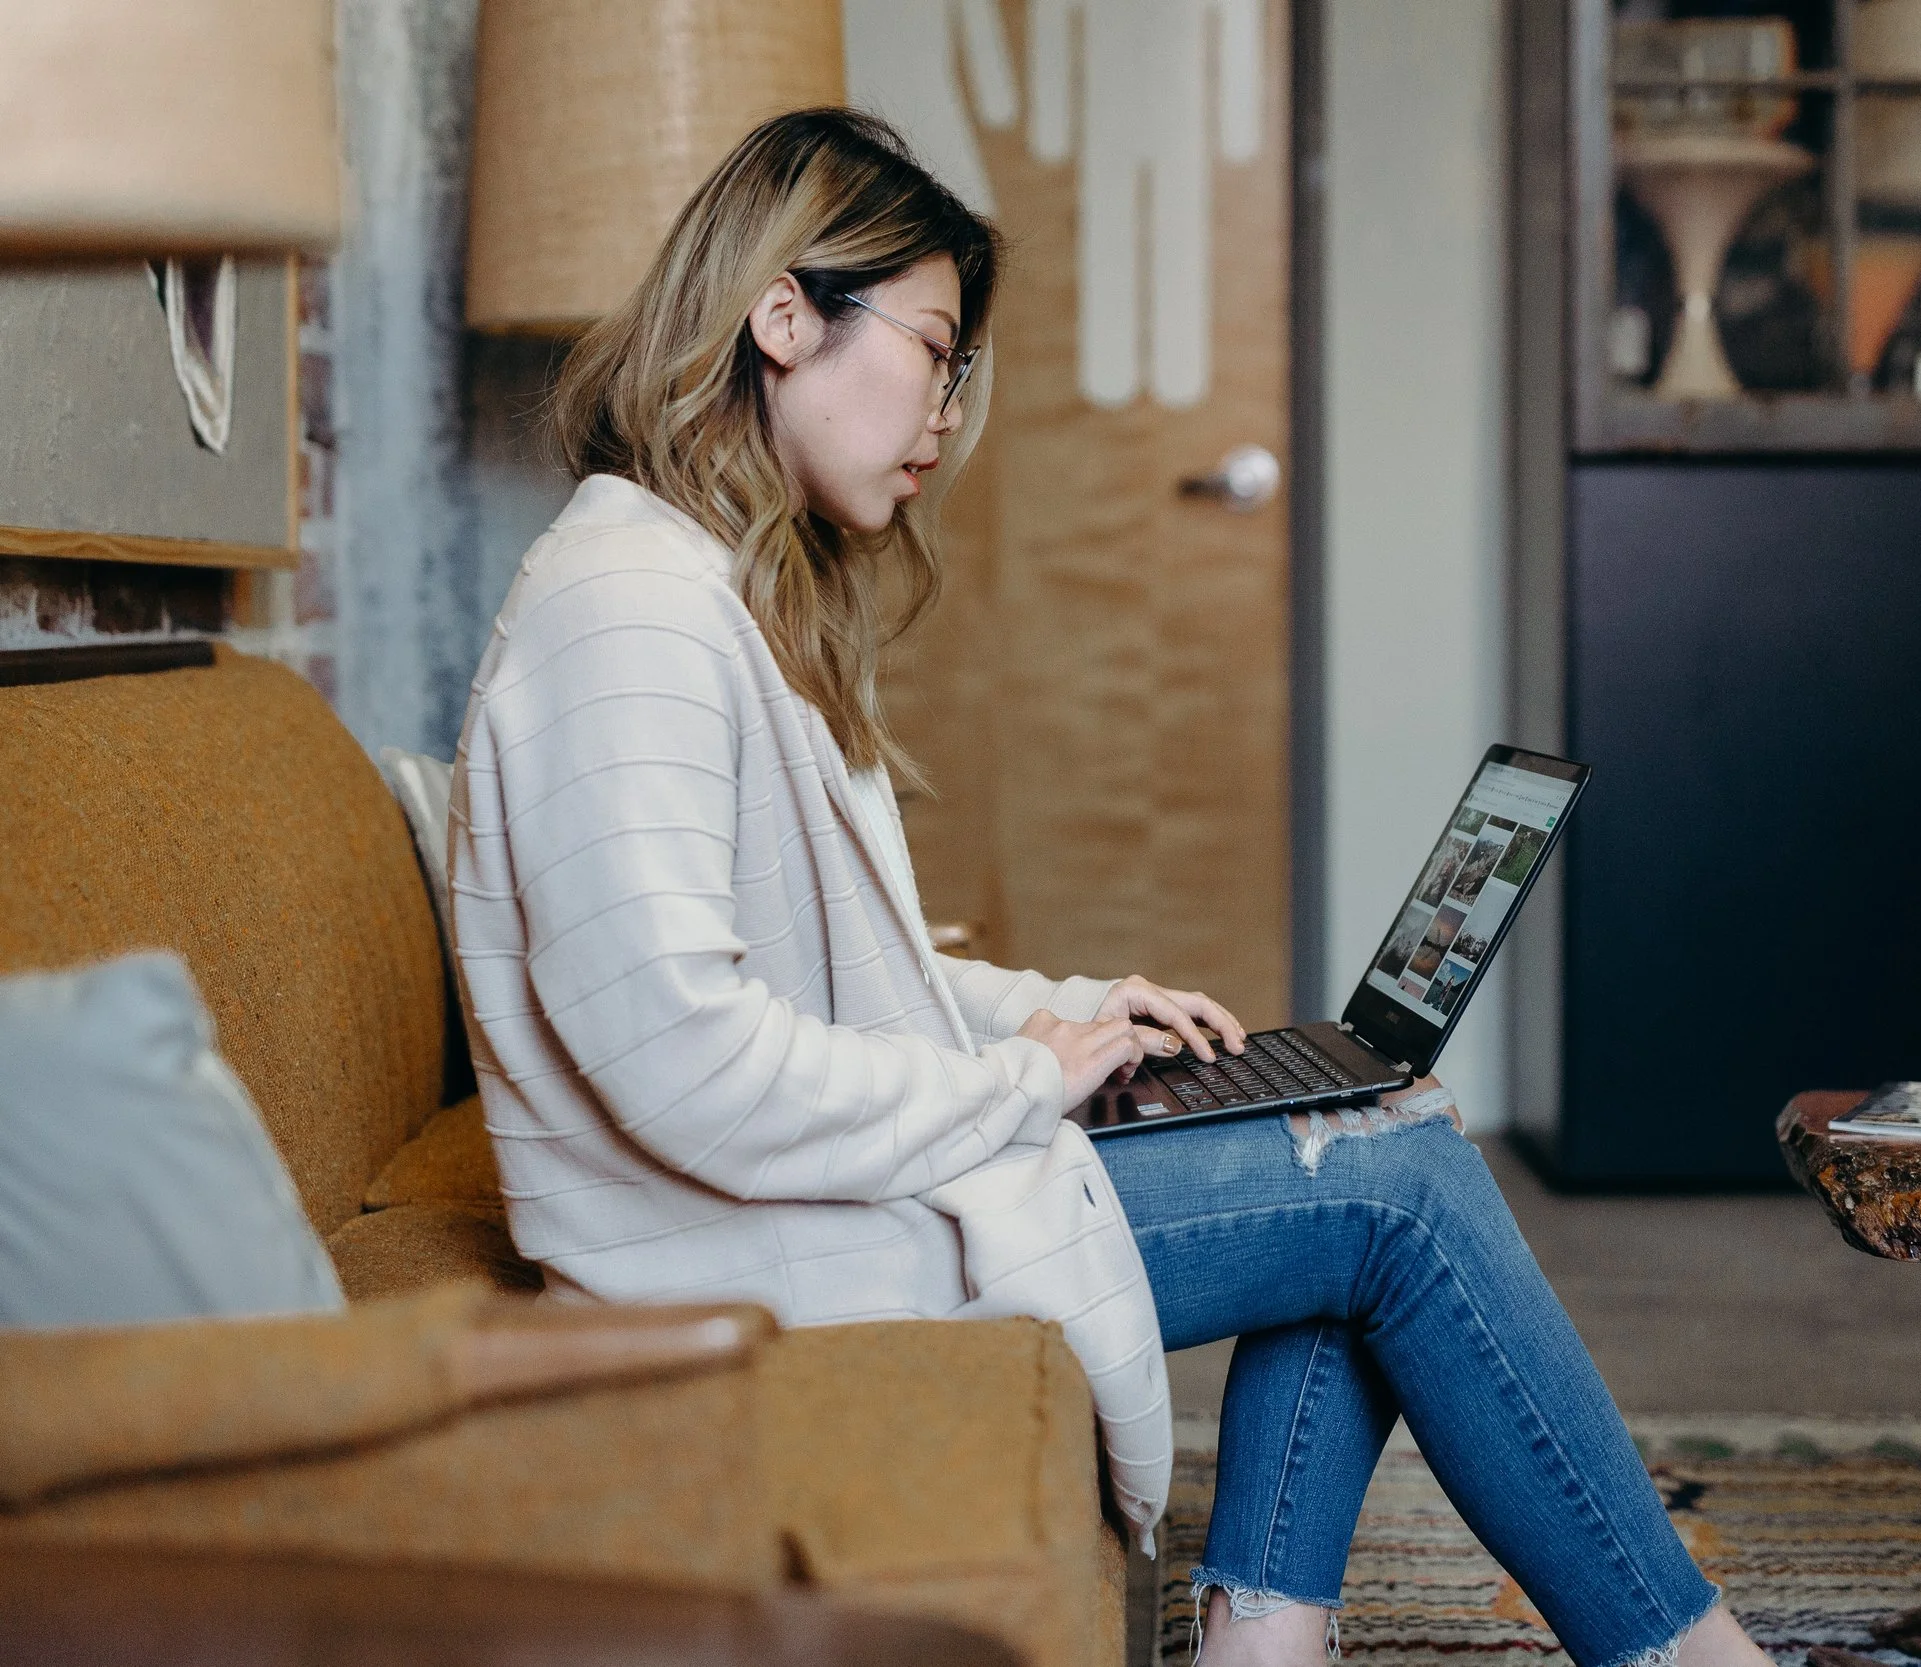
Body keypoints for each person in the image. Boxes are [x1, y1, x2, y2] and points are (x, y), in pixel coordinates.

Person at [449, 109, 1773, 1667]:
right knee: (1394, 1179)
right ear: (784, 314)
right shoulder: (630, 614)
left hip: (821, 1201)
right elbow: (687, 1059)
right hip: (754, 1251)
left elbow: (825, 974)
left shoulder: (711, 592)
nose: (947, 408)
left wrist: (1071, 1014)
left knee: (1355, 1123)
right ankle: (1684, 1652)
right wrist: (1023, 1082)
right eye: (933, 348)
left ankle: (1263, 1639)